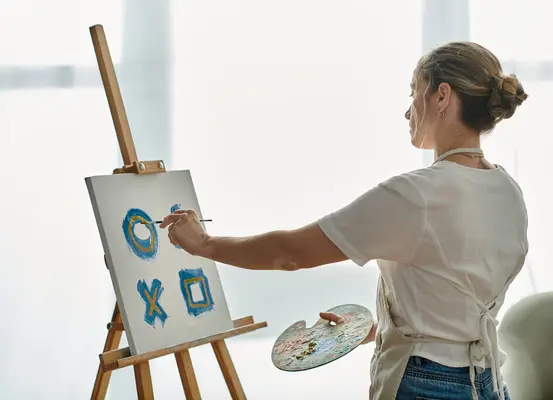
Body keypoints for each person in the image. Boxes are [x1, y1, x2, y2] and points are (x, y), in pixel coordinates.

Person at [160, 41, 529, 400]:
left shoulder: (416, 195)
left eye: (414, 92)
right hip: (488, 382)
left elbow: (290, 253)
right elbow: (457, 289)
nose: (407, 111)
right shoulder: (508, 190)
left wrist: (203, 244)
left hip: (427, 382)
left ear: (442, 96)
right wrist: (377, 329)